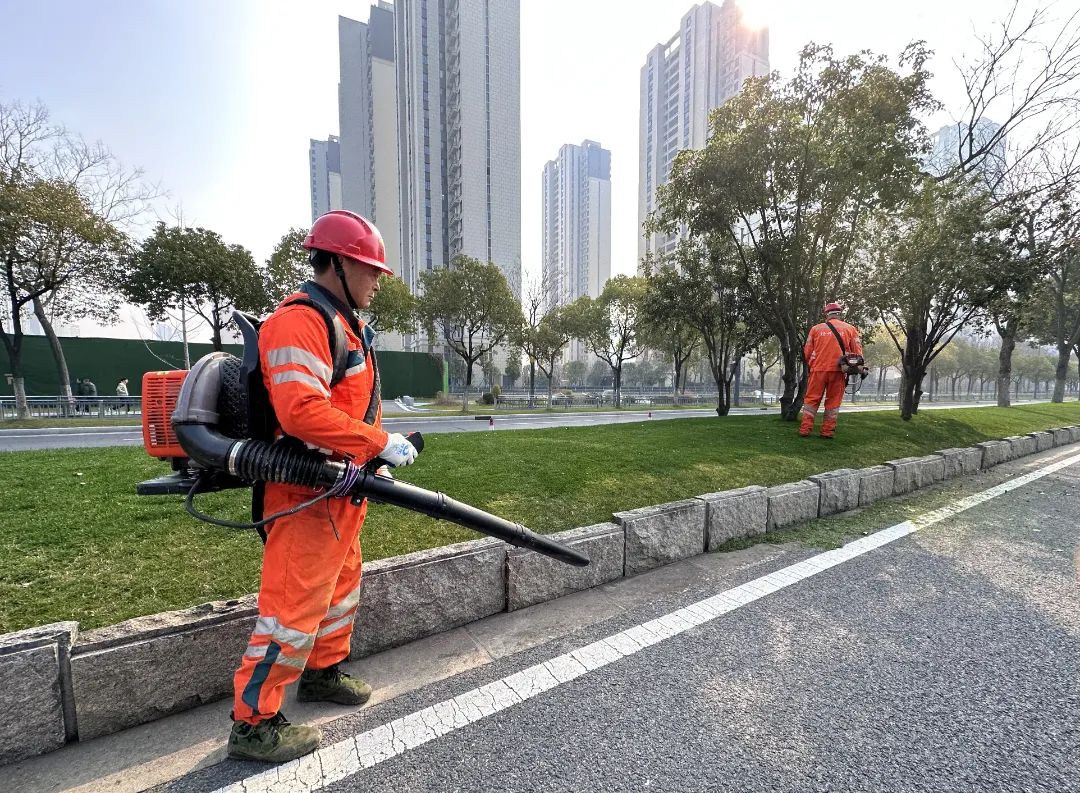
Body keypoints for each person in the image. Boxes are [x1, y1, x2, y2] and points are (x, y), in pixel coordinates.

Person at [228, 210, 420, 764]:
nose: (379, 281)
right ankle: (254, 723)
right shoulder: (301, 320)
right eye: (370, 269)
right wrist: (377, 442)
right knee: (290, 608)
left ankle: (321, 672)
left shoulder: (346, 321)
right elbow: (301, 411)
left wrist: (371, 457)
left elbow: (348, 402)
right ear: (337, 264)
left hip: (340, 491)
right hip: (303, 496)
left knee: (339, 592)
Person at [799, 302, 864, 439]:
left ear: (826, 314)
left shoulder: (816, 329)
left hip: (818, 371)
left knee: (811, 400)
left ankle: (805, 430)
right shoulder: (850, 329)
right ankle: (827, 432)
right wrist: (855, 367)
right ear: (840, 314)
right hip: (839, 371)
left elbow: (807, 352)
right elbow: (857, 353)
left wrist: (813, 364)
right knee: (833, 403)